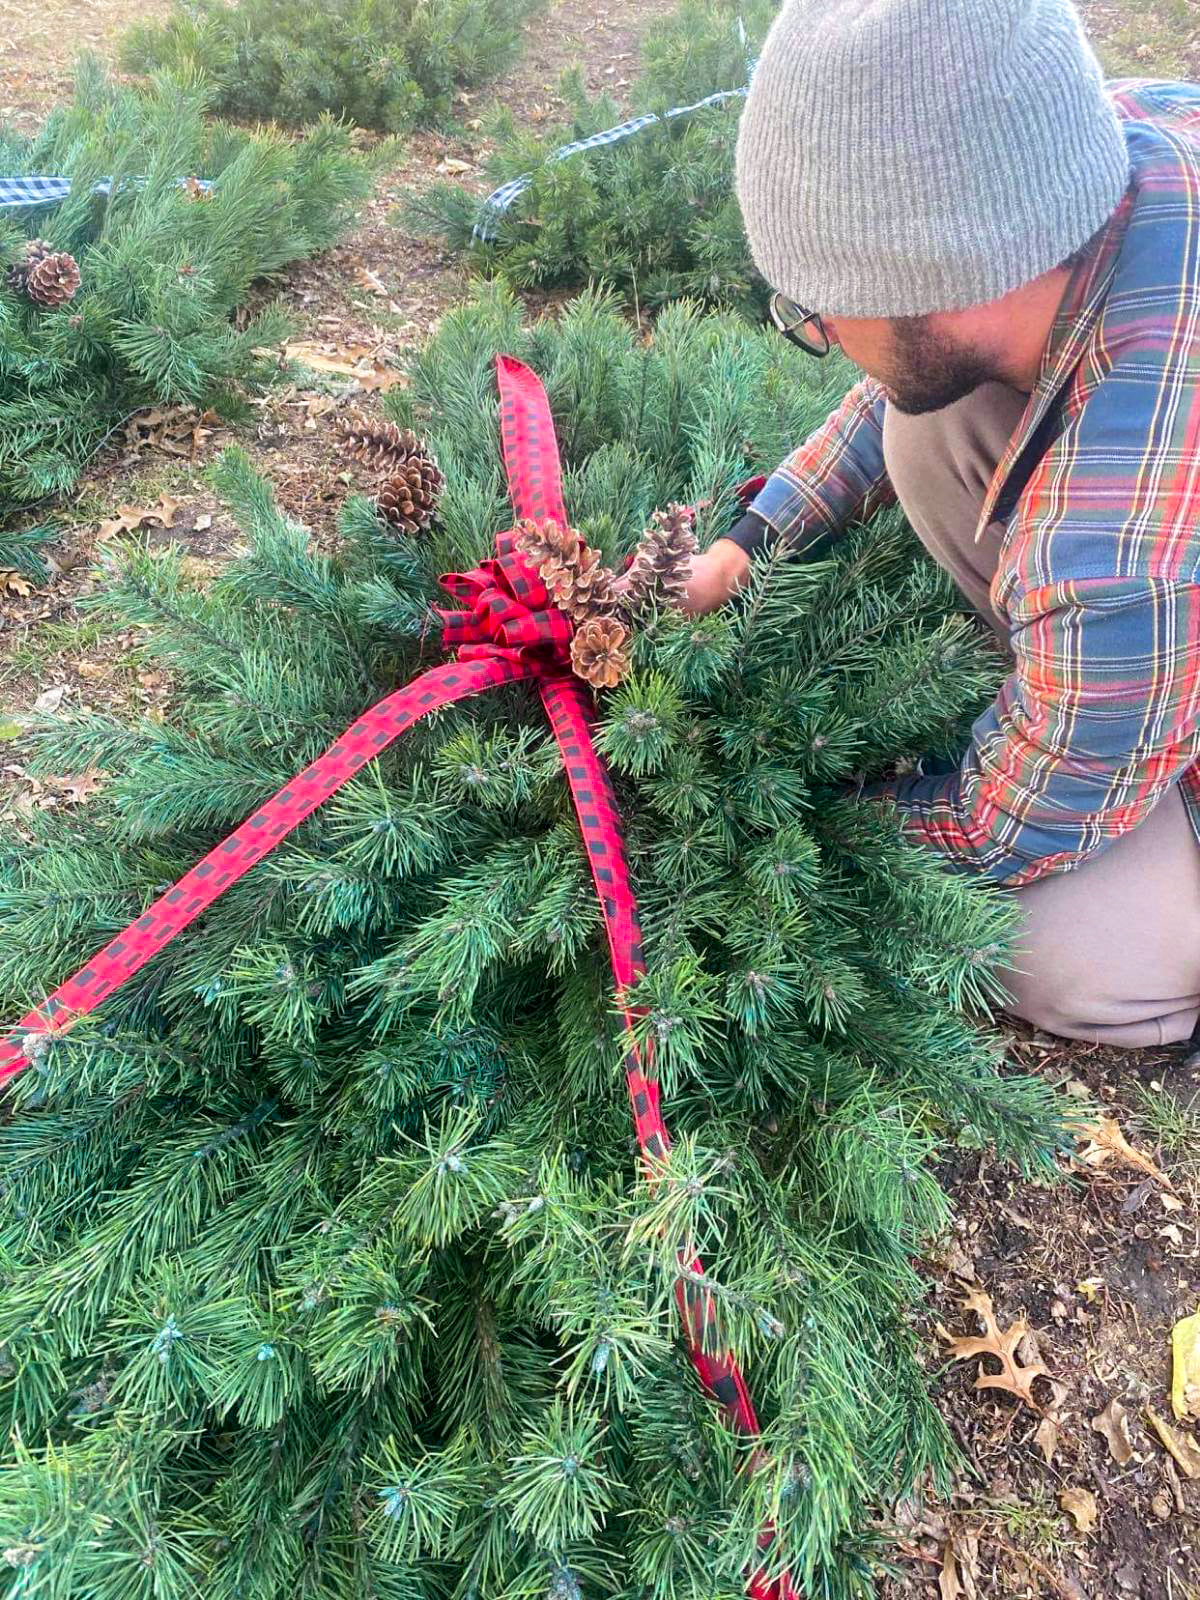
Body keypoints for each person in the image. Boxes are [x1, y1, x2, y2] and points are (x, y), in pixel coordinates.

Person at [687, 0, 1200, 1048]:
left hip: (1146, 582)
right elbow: (900, 386)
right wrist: (747, 545)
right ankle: (1099, 701)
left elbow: (1000, 828)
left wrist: (784, 818)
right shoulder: (1093, 155)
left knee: (1067, 950)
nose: (820, 335)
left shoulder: (1114, 552)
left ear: (963, 285)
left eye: (819, 311)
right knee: (929, 414)